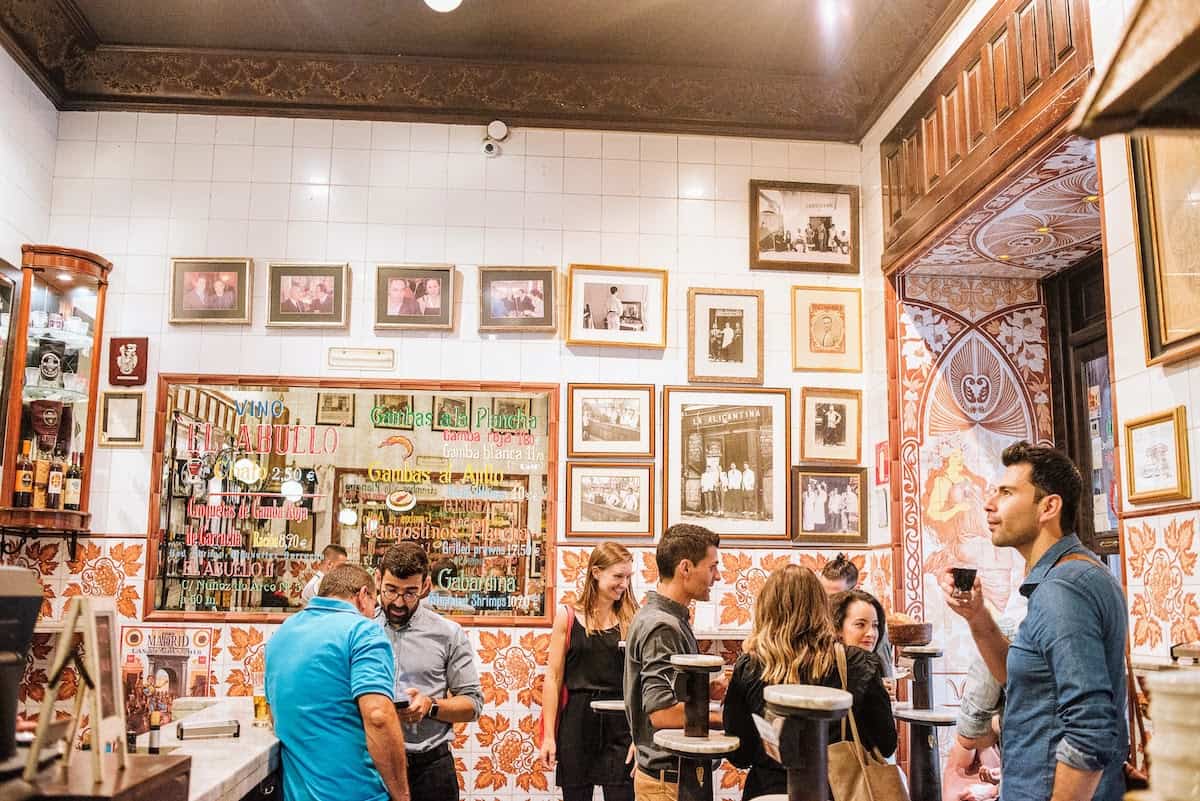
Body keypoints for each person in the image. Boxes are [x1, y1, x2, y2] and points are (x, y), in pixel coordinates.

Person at [942, 441, 1128, 801]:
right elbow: (1024, 681)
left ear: (1049, 507)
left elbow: (1090, 726)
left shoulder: (1064, 589)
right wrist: (977, 616)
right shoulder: (1070, 575)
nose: (989, 504)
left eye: (1007, 492)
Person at [724, 566, 896, 799]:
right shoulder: (858, 662)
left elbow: (739, 755)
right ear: (821, 606)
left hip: (768, 792)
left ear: (765, 608)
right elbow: (886, 743)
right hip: (838, 791)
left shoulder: (749, 666)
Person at [265, 564, 410, 801]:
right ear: (363, 596)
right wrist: (402, 796)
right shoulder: (363, 631)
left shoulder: (282, 633)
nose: (373, 614)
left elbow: (274, 714)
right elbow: (378, 717)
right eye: (374, 605)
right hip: (355, 792)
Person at [375, 543, 484, 801]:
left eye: (410, 593)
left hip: (430, 770)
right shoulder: (359, 629)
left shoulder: (448, 634)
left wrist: (431, 706)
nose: (399, 602)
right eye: (390, 590)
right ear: (378, 580)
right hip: (371, 768)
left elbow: (473, 704)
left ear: (426, 587)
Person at [624, 524, 722, 801]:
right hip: (669, 784)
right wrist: (727, 719)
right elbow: (662, 714)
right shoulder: (662, 626)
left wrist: (703, 693)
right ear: (686, 568)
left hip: (669, 780)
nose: (717, 576)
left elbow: (667, 694)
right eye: (712, 567)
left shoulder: (663, 617)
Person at [539, 543, 639, 801]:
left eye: (628, 577)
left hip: (620, 719)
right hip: (578, 718)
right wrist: (548, 736)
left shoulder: (633, 618)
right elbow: (552, 678)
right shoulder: (568, 615)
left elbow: (642, 682)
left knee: (622, 795)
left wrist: (641, 736)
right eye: (618, 576)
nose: (624, 584)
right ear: (596, 572)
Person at [830, 589, 895, 682]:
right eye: (860, 624)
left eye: (875, 625)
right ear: (837, 628)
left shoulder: (874, 665)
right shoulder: (826, 669)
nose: (871, 633)